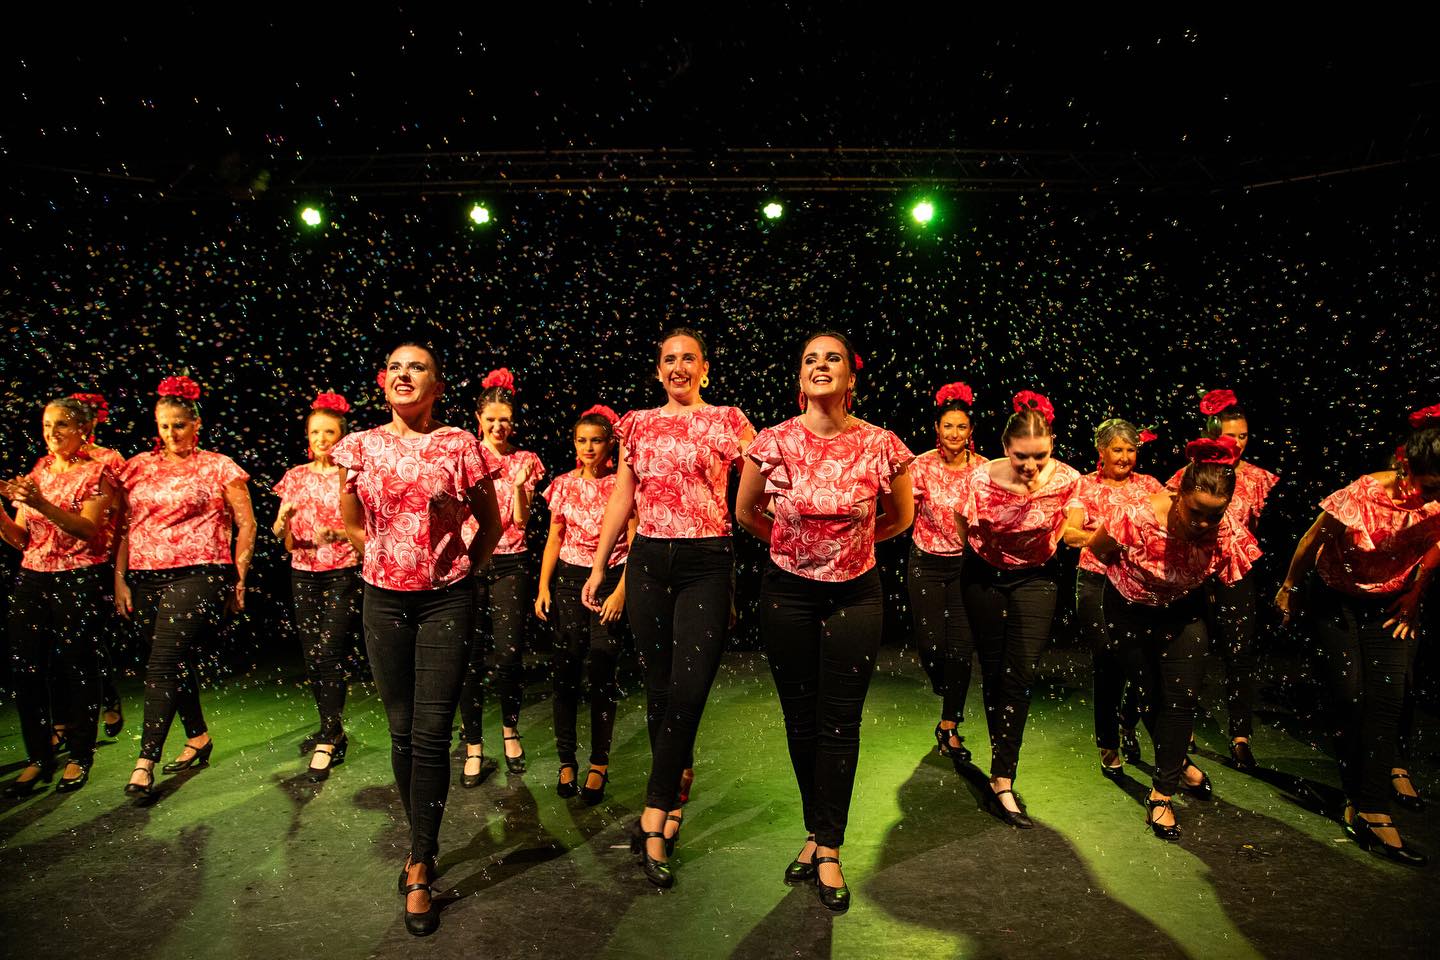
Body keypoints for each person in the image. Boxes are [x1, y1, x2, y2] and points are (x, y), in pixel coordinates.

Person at [736, 332, 913, 912]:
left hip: (856, 594)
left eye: (831, 357)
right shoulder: (774, 441)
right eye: (810, 358)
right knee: (801, 717)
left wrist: (849, 550)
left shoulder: (882, 444)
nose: (820, 365)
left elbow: (900, 516)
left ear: (851, 376)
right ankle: (815, 830)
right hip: (787, 592)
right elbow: (747, 511)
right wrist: (794, 547)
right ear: (799, 377)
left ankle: (829, 846)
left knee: (840, 720)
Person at [335, 343, 503, 935]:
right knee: (401, 731)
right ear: (384, 382)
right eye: (396, 367)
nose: (405, 375)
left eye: (419, 368)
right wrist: (381, 560)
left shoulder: (460, 445)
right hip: (383, 601)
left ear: (437, 385)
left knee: (431, 733)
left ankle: (421, 863)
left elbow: (493, 523)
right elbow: (352, 521)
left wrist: (464, 571)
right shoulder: (360, 446)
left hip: (445, 601)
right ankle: (418, 840)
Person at [581, 327, 754, 888]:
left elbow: (760, 486)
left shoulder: (729, 420)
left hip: (707, 559)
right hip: (650, 559)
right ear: (658, 370)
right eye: (668, 359)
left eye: (689, 359)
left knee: (689, 687)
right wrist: (603, 563)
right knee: (659, 688)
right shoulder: (637, 422)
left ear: (705, 368)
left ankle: (653, 812)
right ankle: (674, 785)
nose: (678, 367)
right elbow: (623, 494)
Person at [1273, 404, 1440, 866]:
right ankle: (1352, 794)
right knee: (1350, 699)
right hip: (1337, 599)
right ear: (1407, 468)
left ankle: (1374, 810)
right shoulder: (1363, 493)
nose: (1434, 496)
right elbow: (1311, 540)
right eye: (1430, 486)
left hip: (1390, 604)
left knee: (1387, 702)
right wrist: (1288, 588)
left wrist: (1416, 595)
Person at [1086, 436, 1259, 841]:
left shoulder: (1225, 529)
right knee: (1150, 697)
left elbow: (1231, 577)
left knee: (1181, 699)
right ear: (1178, 493)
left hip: (1183, 610)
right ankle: (1176, 761)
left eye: (1212, 517)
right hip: (1129, 608)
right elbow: (1100, 549)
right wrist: (1133, 580)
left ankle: (1161, 793)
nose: (1202, 524)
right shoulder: (1139, 516)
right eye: (1196, 512)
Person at [116, 376, 255, 801]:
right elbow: (123, 526)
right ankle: (197, 736)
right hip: (144, 574)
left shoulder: (218, 465)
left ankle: (145, 762)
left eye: (179, 424)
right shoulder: (137, 466)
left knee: (163, 660)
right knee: (172, 662)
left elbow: (246, 522)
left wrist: (240, 576)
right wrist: (119, 577)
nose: (171, 433)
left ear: (196, 423)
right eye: (164, 426)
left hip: (200, 571)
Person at [953, 391, 1083, 828]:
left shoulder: (1066, 479)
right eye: (1022, 456)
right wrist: (986, 553)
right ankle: (997, 760)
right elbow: (962, 525)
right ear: (1006, 448)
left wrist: (1085, 534)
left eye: (1040, 456)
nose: (1030, 466)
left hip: (1036, 576)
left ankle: (1003, 776)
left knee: (1021, 671)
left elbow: (1076, 525)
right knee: (993, 670)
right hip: (984, 575)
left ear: (1053, 446)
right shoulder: (981, 479)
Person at [1, 396, 118, 795]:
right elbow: (20, 539)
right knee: (26, 667)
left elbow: (88, 530)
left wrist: (41, 503)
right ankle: (38, 757)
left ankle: (80, 755)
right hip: (33, 577)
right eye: (47, 425)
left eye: (62, 425)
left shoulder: (98, 472)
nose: (52, 433)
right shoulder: (39, 470)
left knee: (76, 666)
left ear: (84, 430)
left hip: (78, 577)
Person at [1168, 390, 1279, 769]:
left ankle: (1240, 734)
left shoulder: (1260, 479)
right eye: (1230, 437)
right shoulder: (1188, 477)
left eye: (1244, 436)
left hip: (1235, 570)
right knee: (1190, 648)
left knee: (1239, 651)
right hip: (1193, 572)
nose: (1238, 444)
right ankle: (1185, 726)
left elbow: (1260, 531)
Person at [535, 404, 634, 803]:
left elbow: (636, 536)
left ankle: (599, 764)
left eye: (596, 440)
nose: (589, 447)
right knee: (565, 673)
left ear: (610, 443)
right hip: (569, 580)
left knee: (602, 671)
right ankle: (566, 761)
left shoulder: (622, 485)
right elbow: (554, 539)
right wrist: (543, 586)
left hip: (610, 576)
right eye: (582, 440)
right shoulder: (563, 484)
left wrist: (621, 591)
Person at [457, 368, 545, 785]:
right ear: (479, 419)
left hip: (511, 561)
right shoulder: (464, 455)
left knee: (508, 656)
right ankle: (473, 745)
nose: (498, 426)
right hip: (470, 563)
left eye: (504, 419)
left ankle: (510, 731)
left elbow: (522, 520)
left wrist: (520, 488)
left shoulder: (524, 461)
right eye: (490, 419)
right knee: (468, 659)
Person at [1067, 418, 1163, 777]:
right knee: (1109, 660)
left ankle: (1128, 720)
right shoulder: (1086, 486)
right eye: (1117, 449)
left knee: (1143, 662)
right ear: (1101, 452)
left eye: (1130, 449)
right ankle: (1108, 741)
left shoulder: (1150, 486)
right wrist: (1106, 538)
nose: (1124, 456)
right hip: (1096, 582)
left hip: (1140, 587)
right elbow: (1069, 532)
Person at [273, 391, 361, 781]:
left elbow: (366, 528)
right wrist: (284, 520)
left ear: (341, 436)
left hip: (342, 569)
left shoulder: (352, 476)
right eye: (315, 432)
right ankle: (332, 727)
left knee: (329, 652)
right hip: (303, 571)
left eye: (329, 432)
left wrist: (338, 532)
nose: (322, 439)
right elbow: (283, 539)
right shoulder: (294, 477)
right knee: (313, 657)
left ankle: (328, 737)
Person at [907, 382, 986, 763]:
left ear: (970, 432)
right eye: (948, 426)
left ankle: (949, 724)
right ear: (937, 429)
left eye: (961, 427)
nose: (954, 434)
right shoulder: (920, 466)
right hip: (926, 563)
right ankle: (945, 685)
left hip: (966, 567)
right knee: (932, 647)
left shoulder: (984, 470)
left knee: (961, 649)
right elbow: (902, 510)